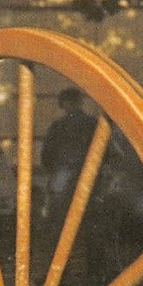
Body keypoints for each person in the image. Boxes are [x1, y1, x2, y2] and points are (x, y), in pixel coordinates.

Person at [40, 87, 99, 218]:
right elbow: (110, 152)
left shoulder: (57, 126)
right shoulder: (94, 124)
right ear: (81, 102)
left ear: (63, 104)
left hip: (62, 177)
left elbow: (46, 155)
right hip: (91, 177)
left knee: (59, 216)